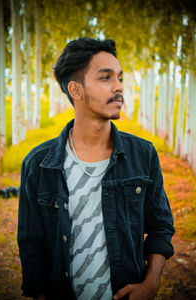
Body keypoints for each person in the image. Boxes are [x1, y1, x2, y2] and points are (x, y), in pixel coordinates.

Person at [17, 37, 175, 300]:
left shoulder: (142, 154)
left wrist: (151, 283)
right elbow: (32, 246)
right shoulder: (38, 164)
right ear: (76, 91)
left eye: (120, 78)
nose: (119, 87)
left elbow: (161, 226)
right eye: (105, 78)